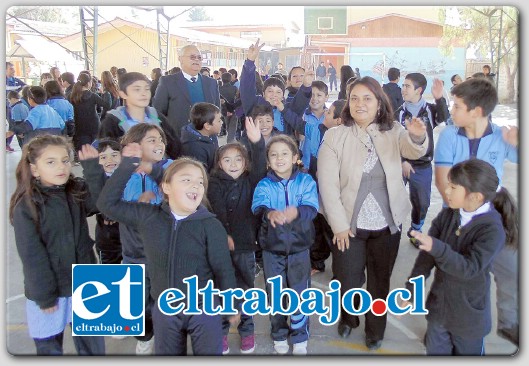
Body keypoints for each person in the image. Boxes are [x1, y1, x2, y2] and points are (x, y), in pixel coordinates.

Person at [317, 76, 428, 351]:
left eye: (367, 98)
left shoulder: (394, 131)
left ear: (379, 103)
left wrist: (417, 135)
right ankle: (348, 317)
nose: (360, 104)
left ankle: (375, 330)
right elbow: (327, 185)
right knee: (347, 278)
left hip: (387, 224)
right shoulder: (335, 136)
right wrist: (339, 226)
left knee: (380, 280)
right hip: (347, 226)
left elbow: (413, 149)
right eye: (354, 98)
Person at [96, 147, 237, 355]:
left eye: (200, 181)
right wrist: (127, 165)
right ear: (166, 187)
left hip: (203, 307)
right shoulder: (148, 217)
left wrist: (230, 303)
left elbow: (223, 268)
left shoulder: (211, 225)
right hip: (164, 307)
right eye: (186, 180)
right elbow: (106, 204)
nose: (196, 185)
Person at [434, 77, 519, 347]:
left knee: (510, 270)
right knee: (455, 275)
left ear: (476, 111)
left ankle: (508, 322)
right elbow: (443, 179)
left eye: (457, 106)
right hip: (458, 216)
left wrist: (518, 142)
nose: (452, 111)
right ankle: (440, 324)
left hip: (495, 217)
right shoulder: (449, 134)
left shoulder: (501, 136)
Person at [404, 159, 517, 355]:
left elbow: (469, 268)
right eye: (449, 184)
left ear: (475, 197)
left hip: (468, 318)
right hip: (439, 310)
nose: (446, 191)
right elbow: (426, 258)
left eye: (453, 187)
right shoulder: (448, 214)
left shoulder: (492, 230)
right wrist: (412, 289)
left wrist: (437, 247)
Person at [9, 134, 105, 355]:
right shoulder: (27, 206)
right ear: (34, 169)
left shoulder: (76, 190)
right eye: (50, 162)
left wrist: (92, 168)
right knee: (49, 347)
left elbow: (101, 203)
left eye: (65, 160)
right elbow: (32, 256)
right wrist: (44, 295)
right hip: (50, 291)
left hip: (86, 284)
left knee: (93, 346)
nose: (61, 167)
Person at [252, 134, 319, 355]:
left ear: (295, 157)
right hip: (272, 250)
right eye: (273, 155)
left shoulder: (306, 181)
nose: (279, 158)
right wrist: (270, 213)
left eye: (284, 154)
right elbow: (258, 207)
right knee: (276, 293)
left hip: (300, 249)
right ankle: (279, 333)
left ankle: (300, 335)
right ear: (268, 161)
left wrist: (297, 212)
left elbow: (312, 208)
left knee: (300, 293)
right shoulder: (264, 184)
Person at [208, 117, 267, 355]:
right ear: (219, 163)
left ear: (246, 163)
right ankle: (220, 332)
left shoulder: (251, 181)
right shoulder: (213, 183)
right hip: (221, 249)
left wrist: (257, 143)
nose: (233, 164)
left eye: (238, 159)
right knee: (220, 291)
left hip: (245, 248)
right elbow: (217, 211)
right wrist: (224, 235)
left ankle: (247, 330)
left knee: (245, 289)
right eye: (227, 159)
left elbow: (261, 164)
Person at [395, 73, 449, 246]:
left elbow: (445, 118)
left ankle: (415, 230)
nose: (403, 89)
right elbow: (392, 140)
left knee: (422, 202)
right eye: (403, 85)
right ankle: (392, 232)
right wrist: (402, 161)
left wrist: (440, 98)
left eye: (407, 86)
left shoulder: (430, 110)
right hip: (400, 164)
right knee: (393, 198)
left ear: (419, 90)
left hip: (423, 166)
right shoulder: (398, 112)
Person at [98, 72, 180, 160]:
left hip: (159, 171)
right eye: (137, 89)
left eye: (147, 89)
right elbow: (106, 155)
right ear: (123, 94)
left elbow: (175, 147)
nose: (143, 93)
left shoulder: (157, 116)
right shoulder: (112, 122)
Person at [240, 39, 312, 137]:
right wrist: (250, 62)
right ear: (263, 93)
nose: (274, 95)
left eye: (278, 92)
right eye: (270, 91)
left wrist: (307, 85)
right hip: (256, 151)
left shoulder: (287, 109)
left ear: (283, 96)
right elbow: (246, 88)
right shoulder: (254, 106)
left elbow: (300, 102)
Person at [153, 44, 221, 139]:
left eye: (199, 57)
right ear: (180, 59)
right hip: (179, 140)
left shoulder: (211, 83)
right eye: (192, 57)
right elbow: (158, 112)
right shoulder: (167, 82)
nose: (196, 60)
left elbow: (217, 112)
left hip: (207, 140)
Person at [80, 139, 123, 265]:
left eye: (114, 155)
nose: (110, 160)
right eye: (103, 157)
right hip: (107, 240)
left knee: (136, 274)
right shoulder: (91, 182)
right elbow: (91, 206)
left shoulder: (131, 177)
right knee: (108, 273)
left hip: (132, 238)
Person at [280, 80, 328, 170]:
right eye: (312, 95)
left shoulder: (330, 117)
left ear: (326, 97)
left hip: (325, 166)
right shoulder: (302, 115)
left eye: (319, 95)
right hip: (304, 165)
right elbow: (299, 138)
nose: (314, 98)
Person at [70, 72, 110, 158]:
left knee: (84, 151)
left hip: (80, 126)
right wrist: (104, 93)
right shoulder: (92, 96)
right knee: (96, 149)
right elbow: (106, 105)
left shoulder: (73, 96)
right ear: (88, 83)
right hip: (94, 125)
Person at [180, 102, 223, 173]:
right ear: (207, 126)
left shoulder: (209, 134)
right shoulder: (195, 149)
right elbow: (202, 175)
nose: (222, 122)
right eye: (219, 120)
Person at [6, 61, 26, 152]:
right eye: (11, 69)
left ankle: (6, 144)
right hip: (6, 106)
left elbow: (25, 86)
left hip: (14, 106)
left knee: (13, 124)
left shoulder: (15, 80)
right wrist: (17, 88)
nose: (13, 70)